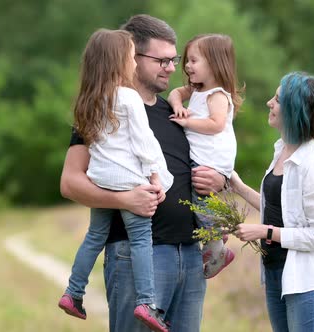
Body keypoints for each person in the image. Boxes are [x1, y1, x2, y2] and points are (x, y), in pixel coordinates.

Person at [60, 14, 226, 332]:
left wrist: (217, 182)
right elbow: (70, 183)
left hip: (190, 256)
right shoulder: (102, 111)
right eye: (161, 60)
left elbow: (203, 163)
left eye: (173, 59)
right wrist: (125, 198)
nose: (171, 67)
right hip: (136, 255)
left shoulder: (175, 114)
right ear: (130, 56)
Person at [57, 28, 173, 332]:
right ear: (117, 61)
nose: (134, 63)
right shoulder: (128, 97)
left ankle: (73, 292)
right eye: (131, 57)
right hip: (127, 181)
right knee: (141, 239)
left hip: (100, 180)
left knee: (95, 236)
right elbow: (142, 141)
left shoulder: (89, 99)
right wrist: (154, 175)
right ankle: (146, 302)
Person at [230, 72, 314, 331]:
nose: (269, 102)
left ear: (294, 111)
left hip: (304, 281)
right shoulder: (282, 150)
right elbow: (281, 209)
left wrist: (265, 231)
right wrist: (238, 187)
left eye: (277, 100)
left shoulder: (311, 165)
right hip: (275, 272)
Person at [167, 34, 244, 279]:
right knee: (198, 199)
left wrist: (186, 122)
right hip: (202, 156)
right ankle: (215, 233)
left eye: (193, 60)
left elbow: (216, 124)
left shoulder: (218, 95)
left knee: (198, 200)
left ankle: (218, 250)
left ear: (213, 63)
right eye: (186, 61)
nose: (187, 66)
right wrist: (178, 103)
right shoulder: (196, 89)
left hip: (212, 158)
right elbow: (174, 93)